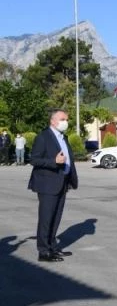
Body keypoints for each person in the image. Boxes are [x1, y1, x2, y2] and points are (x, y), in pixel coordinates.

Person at [28, 109, 79, 262]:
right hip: (47, 184)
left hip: (62, 182)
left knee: (56, 218)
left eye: (67, 119)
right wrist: (54, 162)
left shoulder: (64, 137)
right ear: (52, 121)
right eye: (62, 119)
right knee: (46, 218)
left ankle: (52, 248)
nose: (66, 122)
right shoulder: (43, 137)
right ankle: (43, 251)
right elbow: (34, 159)